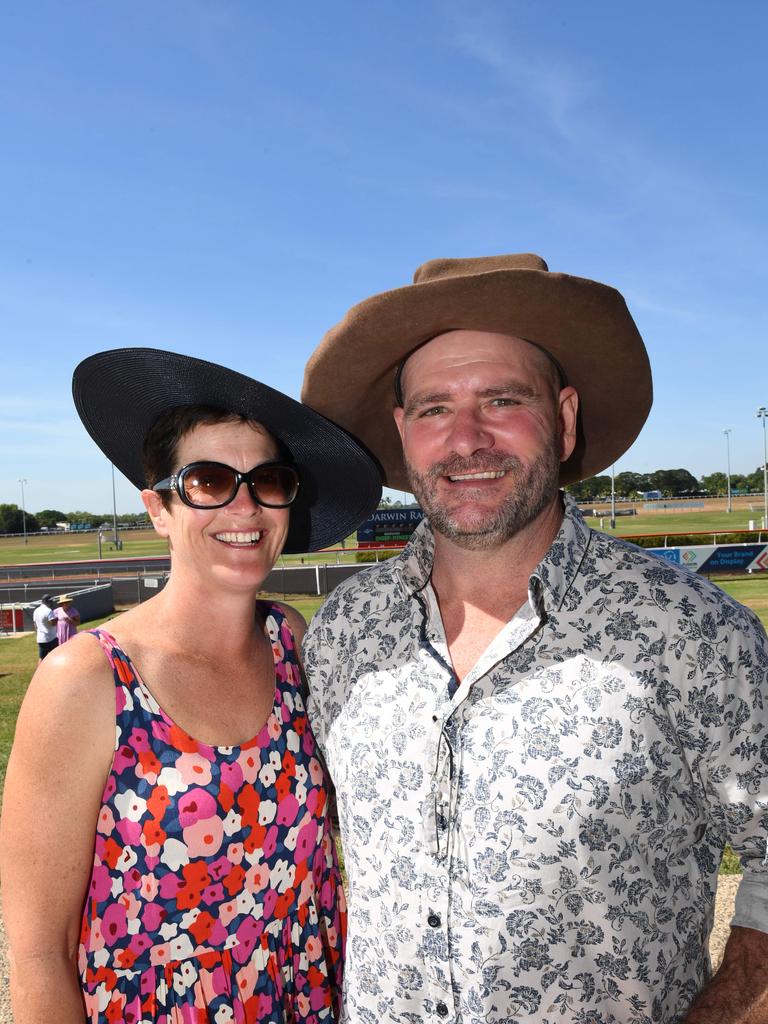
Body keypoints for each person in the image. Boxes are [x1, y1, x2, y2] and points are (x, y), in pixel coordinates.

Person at [300, 254, 768, 1024]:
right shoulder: (344, 633)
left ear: (566, 416)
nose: (466, 439)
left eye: (502, 399)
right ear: (402, 431)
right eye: (433, 409)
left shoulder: (695, 633)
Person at [1, 347, 381, 1024]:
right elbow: (38, 958)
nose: (245, 506)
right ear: (157, 508)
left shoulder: (289, 641)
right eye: (209, 480)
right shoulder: (88, 679)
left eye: (268, 480)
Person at [32, 593, 58, 660]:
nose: (52, 602)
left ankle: (38, 670)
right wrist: (57, 619)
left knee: (41, 658)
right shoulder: (49, 611)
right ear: (48, 601)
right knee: (56, 657)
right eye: (51, 601)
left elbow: (35, 625)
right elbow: (52, 623)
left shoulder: (36, 610)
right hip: (51, 638)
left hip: (40, 639)